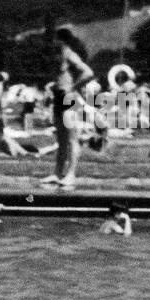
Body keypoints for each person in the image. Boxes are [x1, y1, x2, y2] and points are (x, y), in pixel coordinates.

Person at [42, 28, 94, 189]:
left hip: (69, 99)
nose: (53, 42)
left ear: (62, 40)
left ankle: (71, 174)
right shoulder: (59, 56)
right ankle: (58, 173)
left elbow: (88, 72)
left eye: (56, 39)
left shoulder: (71, 54)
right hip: (59, 98)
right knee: (61, 139)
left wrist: (73, 87)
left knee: (72, 139)